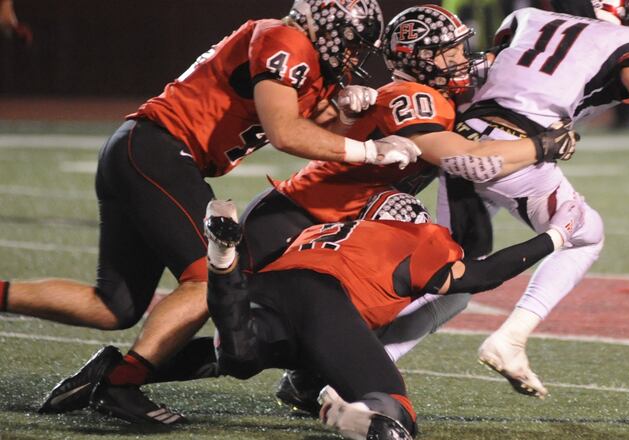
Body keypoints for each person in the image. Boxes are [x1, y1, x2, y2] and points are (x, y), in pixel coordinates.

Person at [32, 4, 580, 423]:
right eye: (451, 53)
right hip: (295, 217)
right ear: (421, 61)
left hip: (319, 219)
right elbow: (458, 157)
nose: (463, 60)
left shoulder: (419, 96)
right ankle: (126, 376)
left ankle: (134, 371)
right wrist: (542, 147)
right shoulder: (416, 98)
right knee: (234, 316)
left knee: (254, 332)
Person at [1, 0, 426, 424]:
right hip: (159, 150)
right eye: (351, 43)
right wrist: (367, 150)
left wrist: (345, 115)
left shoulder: (305, 59)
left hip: (143, 151)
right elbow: (285, 132)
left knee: (112, 306)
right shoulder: (285, 38)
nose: (352, 56)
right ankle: (119, 384)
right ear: (327, 26)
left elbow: (316, 133)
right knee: (210, 278)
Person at [374, 0, 629, 399]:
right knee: (587, 235)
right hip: (519, 148)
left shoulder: (527, 19)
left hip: (465, 139)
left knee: (454, 273)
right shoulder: (627, 41)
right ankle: (511, 339)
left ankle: (367, 363)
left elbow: (484, 69)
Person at [190, 193, 583, 439]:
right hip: (325, 305)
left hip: (269, 288)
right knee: (396, 408)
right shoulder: (415, 237)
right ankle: (365, 416)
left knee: (238, 357)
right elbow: (486, 274)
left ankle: (223, 265)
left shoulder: (326, 231)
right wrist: (556, 236)